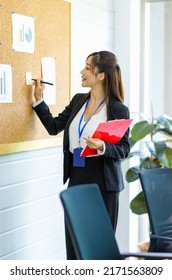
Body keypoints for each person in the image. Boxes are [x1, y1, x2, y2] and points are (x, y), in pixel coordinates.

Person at [32, 51, 130, 259]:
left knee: (99, 250)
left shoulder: (118, 109)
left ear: (101, 75)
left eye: (87, 67)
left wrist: (103, 146)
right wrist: (39, 101)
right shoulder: (78, 101)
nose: (81, 71)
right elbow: (54, 126)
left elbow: (124, 149)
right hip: (77, 176)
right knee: (75, 245)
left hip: (104, 183)